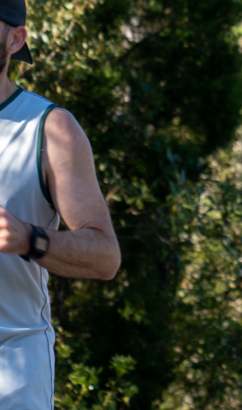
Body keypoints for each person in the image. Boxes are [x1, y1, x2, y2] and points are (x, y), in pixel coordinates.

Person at [0, 1, 121, 407]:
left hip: (14, 376)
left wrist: (28, 239)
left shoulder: (49, 128)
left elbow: (105, 256)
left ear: (15, 39)